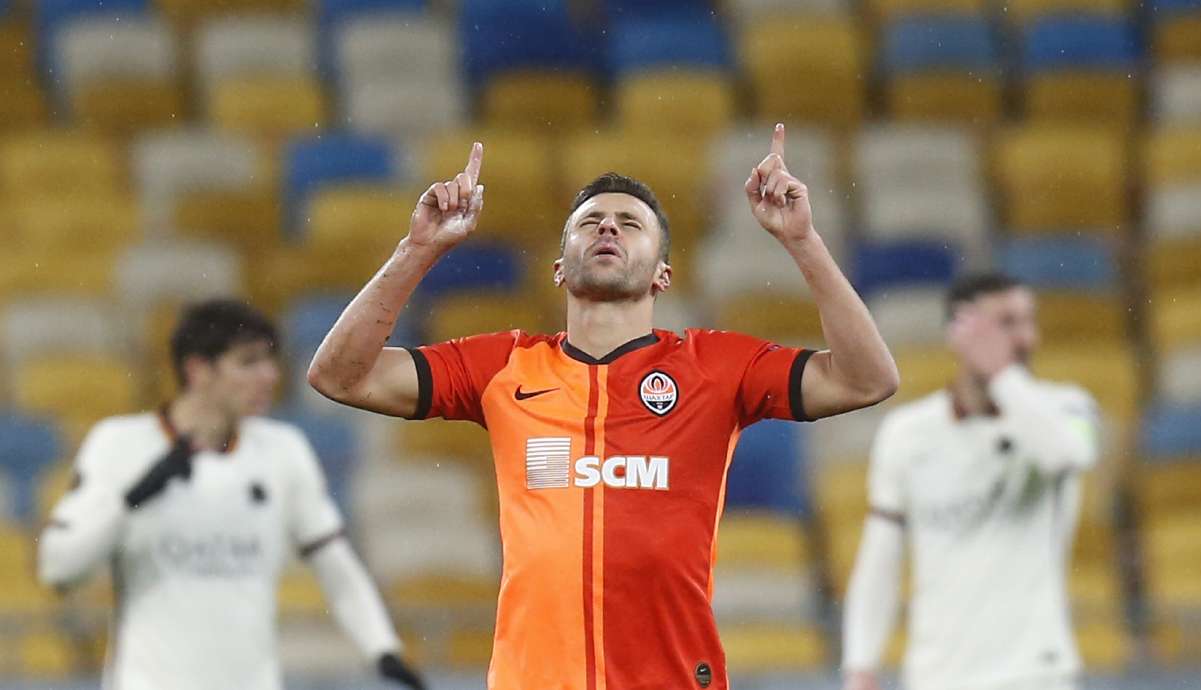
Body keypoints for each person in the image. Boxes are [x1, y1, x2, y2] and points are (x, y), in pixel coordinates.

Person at [308, 124, 899, 690]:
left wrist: (803, 241)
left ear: (663, 273)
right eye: (590, 222)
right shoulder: (503, 365)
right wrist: (418, 249)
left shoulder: (715, 367)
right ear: (560, 267)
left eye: (629, 224)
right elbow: (339, 376)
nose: (607, 230)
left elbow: (866, 379)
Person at [37, 299, 426, 690]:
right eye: (248, 362)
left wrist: (383, 649)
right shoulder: (120, 444)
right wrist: (133, 498)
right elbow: (60, 568)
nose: (269, 376)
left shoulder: (283, 451)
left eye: (270, 361)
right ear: (198, 370)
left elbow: (336, 566)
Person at [841, 273, 1101, 690]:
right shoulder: (906, 433)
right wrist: (860, 664)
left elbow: (1070, 455)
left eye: (1027, 321)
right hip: (937, 676)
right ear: (958, 333)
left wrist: (1000, 375)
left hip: (1036, 672)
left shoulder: (1070, 408)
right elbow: (881, 556)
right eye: (1005, 323)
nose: (1023, 338)